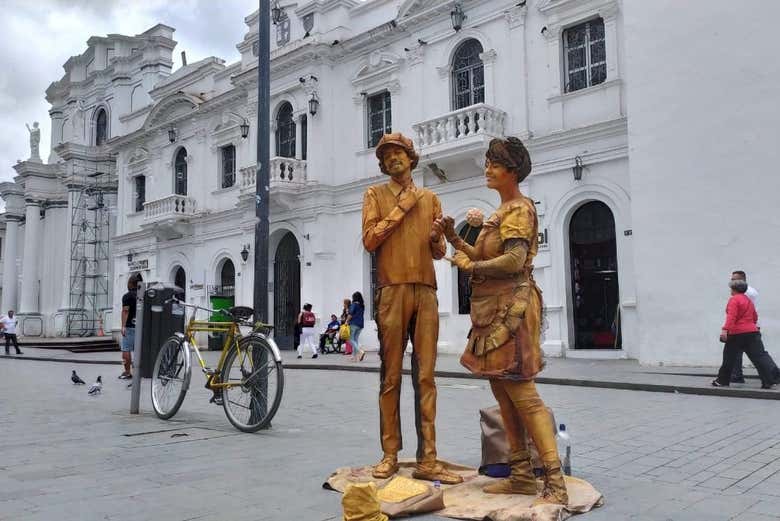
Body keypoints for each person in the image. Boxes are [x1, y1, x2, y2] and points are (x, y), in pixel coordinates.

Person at [442, 137, 568, 506]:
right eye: (487, 163)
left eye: (495, 164)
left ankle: (555, 483)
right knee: (502, 392)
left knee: (523, 395)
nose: (487, 169)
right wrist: (453, 237)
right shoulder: (500, 212)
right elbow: (480, 255)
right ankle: (522, 476)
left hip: (512, 308)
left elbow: (513, 262)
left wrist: (473, 266)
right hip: (490, 307)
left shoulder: (519, 210)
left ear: (512, 171)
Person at [362, 132, 462, 484]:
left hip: (426, 290)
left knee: (426, 377)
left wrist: (438, 236)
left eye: (398, 153)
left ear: (410, 157)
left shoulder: (430, 197)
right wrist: (402, 208)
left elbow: (437, 252)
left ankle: (428, 458)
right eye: (387, 155)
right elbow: (370, 239)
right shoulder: (375, 195)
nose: (393, 158)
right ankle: (390, 453)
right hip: (391, 290)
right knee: (390, 377)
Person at [713, 279, 778, 389]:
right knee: (759, 357)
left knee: (729, 357)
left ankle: (722, 381)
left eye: (731, 288)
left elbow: (731, 317)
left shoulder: (734, 300)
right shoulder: (748, 300)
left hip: (737, 333)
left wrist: (725, 330)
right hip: (753, 332)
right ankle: (769, 380)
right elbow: (755, 317)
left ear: (734, 289)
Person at [730, 270, 759, 383]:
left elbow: (735, 314)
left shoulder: (745, 293)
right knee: (740, 352)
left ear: (742, 280)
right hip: (749, 327)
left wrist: (727, 328)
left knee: (757, 355)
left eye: (734, 279)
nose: (731, 282)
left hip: (744, 328)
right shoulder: (748, 292)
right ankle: (736, 375)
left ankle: (773, 374)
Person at [119, 276, 138, 378]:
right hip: (141, 327)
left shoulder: (127, 296)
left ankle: (127, 372)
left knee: (126, 349)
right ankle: (138, 372)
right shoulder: (143, 295)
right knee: (139, 350)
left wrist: (123, 326)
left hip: (130, 326)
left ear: (130, 283)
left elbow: (126, 311)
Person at [347, 292, 366, 362]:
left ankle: (360, 351)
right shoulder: (362, 305)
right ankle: (354, 356)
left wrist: (346, 322)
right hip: (361, 324)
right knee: (355, 340)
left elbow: (350, 314)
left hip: (353, 323)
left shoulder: (353, 304)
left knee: (350, 339)